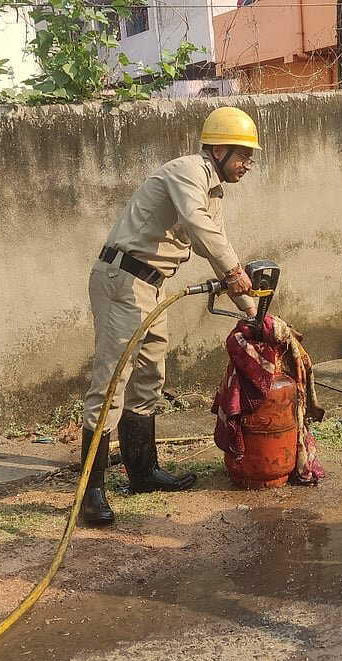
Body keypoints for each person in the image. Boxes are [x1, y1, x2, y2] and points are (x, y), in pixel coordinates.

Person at [79, 107, 261, 527]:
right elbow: (201, 229)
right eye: (243, 155)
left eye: (251, 157)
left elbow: (210, 243)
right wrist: (236, 274)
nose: (248, 164)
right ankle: (92, 492)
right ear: (218, 149)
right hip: (123, 281)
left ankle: (143, 473)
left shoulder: (214, 192)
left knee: (148, 378)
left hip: (152, 286)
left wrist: (250, 309)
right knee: (111, 384)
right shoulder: (188, 172)